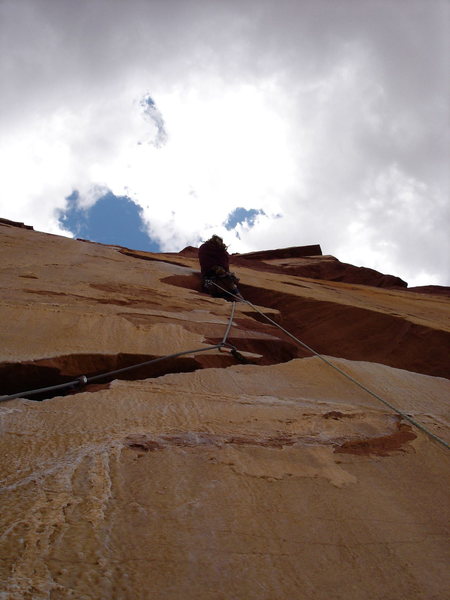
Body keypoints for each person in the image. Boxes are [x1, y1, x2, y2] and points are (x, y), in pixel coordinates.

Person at [198, 235, 240, 300]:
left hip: (212, 277)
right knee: (228, 282)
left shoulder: (221, 252)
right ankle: (237, 297)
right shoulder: (208, 249)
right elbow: (207, 264)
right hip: (210, 278)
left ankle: (236, 296)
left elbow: (224, 266)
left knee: (228, 280)